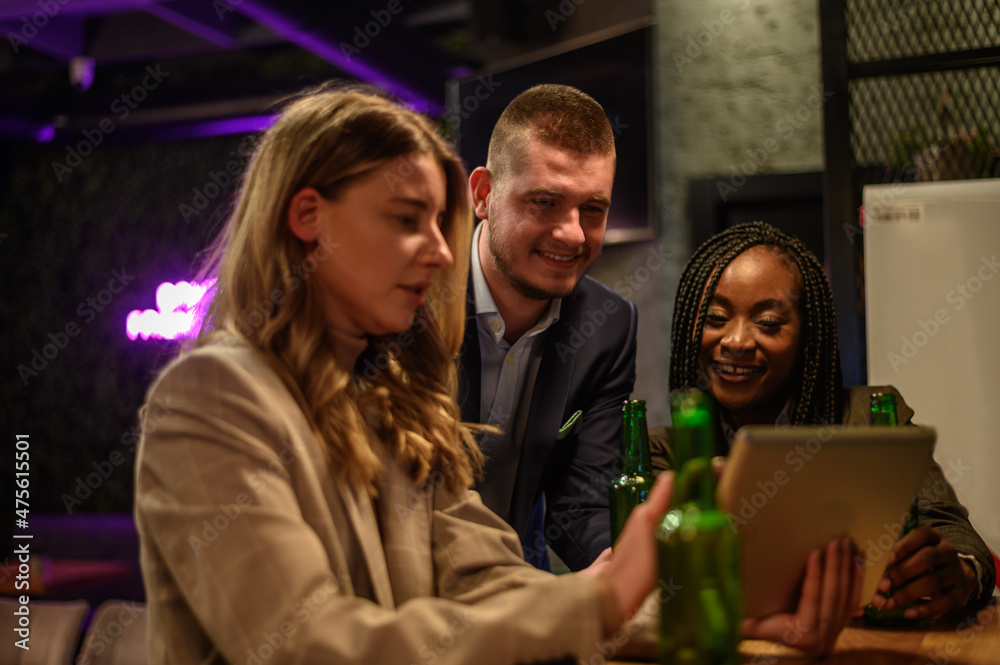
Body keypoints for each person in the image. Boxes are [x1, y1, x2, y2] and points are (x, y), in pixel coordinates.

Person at [134, 85, 673, 664]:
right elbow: (308, 645)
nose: (443, 253)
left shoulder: (393, 398)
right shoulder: (209, 395)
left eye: (440, 223)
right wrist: (600, 605)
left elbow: (489, 577)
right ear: (308, 217)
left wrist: (701, 616)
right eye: (406, 219)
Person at [652, 221, 996, 625]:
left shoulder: (871, 417)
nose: (737, 341)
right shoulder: (667, 450)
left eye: (767, 323)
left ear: (806, 336)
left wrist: (960, 573)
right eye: (715, 317)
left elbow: (956, 534)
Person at [461, 84, 638, 572]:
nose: (574, 234)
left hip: (516, 588)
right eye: (545, 201)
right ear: (484, 195)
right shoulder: (414, 294)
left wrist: (628, 564)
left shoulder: (609, 328)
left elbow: (582, 502)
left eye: (593, 210)